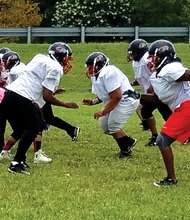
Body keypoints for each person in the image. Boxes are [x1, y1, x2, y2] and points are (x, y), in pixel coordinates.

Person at [1, 42, 79, 174]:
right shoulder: (55, 68)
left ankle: (20, 159)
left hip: (10, 95)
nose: (67, 62)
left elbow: (36, 85)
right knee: (35, 127)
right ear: (62, 56)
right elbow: (47, 96)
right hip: (22, 97)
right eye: (67, 58)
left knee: (22, 128)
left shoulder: (39, 57)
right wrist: (66, 104)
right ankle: (16, 163)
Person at [141, 39, 190, 186]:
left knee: (162, 140)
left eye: (154, 57)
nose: (151, 60)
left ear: (165, 56)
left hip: (186, 106)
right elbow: (157, 99)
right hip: (182, 107)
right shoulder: (160, 73)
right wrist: (137, 95)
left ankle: (171, 179)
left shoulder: (171, 68)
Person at [83, 52, 140, 158]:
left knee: (114, 125)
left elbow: (117, 96)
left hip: (126, 99)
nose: (89, 70)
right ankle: (128, 141)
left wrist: (103, 111)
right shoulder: (97, 76)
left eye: (91, 67)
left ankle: (125, 151)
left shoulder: (109, 72)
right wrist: (92, 102)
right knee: (106, 127)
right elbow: (104, 95)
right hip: (116, 100)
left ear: (99, 65)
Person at [128, 39, 172, 146]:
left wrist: (152, 87)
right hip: (150, 94)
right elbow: (141, 78)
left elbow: (157, 74)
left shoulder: (147, 60)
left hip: (158, 92)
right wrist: (132, 83)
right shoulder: (136, 62)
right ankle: (155, 136)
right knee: (145, 111)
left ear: (139, 52)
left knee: (167, 115)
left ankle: (158, 136)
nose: (131, 55)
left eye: (133, 52)